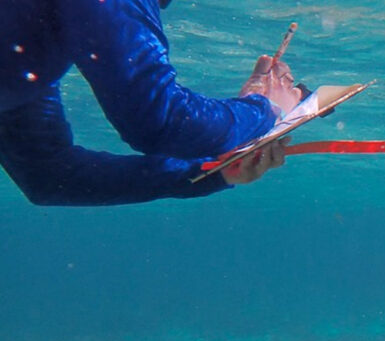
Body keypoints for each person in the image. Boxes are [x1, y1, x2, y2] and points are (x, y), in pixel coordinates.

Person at [0, 0, 303, 206]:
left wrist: (211, 171)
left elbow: (47, 174)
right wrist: (264, 109)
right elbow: (160, 121)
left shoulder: (26, 46)